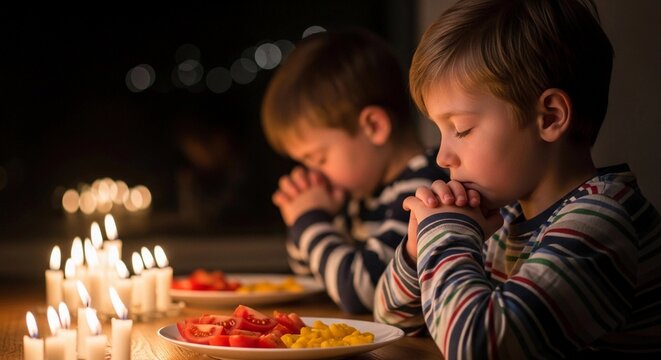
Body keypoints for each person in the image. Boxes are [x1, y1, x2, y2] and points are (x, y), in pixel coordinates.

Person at [374, 0, 661, 357]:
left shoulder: (600, 223)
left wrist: (445, 234)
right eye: (440, 131)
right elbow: (391, 321)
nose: (443, 157)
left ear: (550, 117)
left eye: (461, 130)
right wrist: (418, 252)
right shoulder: (507, 219)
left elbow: (479, 345)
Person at [261, 28, 449, 314]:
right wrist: (312, 218)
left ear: (373, 126)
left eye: (318, 158)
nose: (314, 173)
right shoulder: (361, 193)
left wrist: (309, 221)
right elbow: (312, 275)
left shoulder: (425, 188)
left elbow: (362, 292)